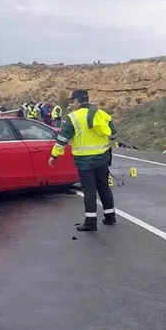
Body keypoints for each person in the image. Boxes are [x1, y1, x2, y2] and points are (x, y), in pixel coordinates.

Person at [49, 89, 116, 231]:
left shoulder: (73, 118)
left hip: (85, 161)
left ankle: (91, 222)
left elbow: (62, 139)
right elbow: (113, 134)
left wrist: (54, 155)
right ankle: (110, 217)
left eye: (73, 100)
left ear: (77, 101)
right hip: (103, 158)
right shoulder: (101, 114)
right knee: (104, 187)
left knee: (89, 191)